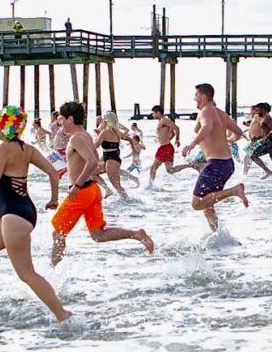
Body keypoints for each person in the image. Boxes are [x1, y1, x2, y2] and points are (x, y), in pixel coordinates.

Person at [0, 106, 71, 323]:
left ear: (4, 126)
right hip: (22, 211)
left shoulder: (4, 149)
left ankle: (62, 315)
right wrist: (54, 199)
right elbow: (54, 172)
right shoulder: (28, 149)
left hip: (13, 215)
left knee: (26, 274)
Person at [50, 101, 154, 264]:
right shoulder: (85, 135)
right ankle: (137, 234)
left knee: (58, 233)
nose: (59, 122)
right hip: (92, 190)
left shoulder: (76, 139)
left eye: (61, 118)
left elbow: (92, 161)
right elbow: (92, 160)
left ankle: (51, 273)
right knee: (98, 235)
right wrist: (68, 170)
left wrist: (76, 184)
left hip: (82, 191)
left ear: (70, 119)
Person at [178, 83, 249, 231]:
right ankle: (217, 235)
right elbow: (238, 132)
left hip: (216, 164)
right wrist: (228, 140)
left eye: (196, 95)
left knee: (197, 203)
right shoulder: (221, 113)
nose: (194, 98)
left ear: (203, 96)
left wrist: (192, 144)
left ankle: (235, 191)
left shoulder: (205, 112)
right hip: (226, 164)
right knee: (207, 202)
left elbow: (207, 127)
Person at [148, 105, 198, 182]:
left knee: (153, 168)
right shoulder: (162, 121)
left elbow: (176, 128)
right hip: (166, 147)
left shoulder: (164, 120)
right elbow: (173, 133)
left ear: (158, 112)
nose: (153, 115)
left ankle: (150, 186)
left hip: (165, 148)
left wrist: (177, 139)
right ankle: (191, 165)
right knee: (170, 170)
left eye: (153, 113)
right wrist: (167, 140)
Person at [94, 111, 134, 200]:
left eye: (104, 119)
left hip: (111, 159)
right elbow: (130, 139)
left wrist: (81, 149)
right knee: (93, 173)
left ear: (107, 120)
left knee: (117, 186)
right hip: (109, 157)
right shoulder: (117, 132)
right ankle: (108, 190)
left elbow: (96, 145)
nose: (103, 120)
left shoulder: (105, 132)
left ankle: (127, 202)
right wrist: (134, 152)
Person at [243, 103, 272, 179]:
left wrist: (265, 138)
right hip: (266, 141)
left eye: (257, 110)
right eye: (255, 110)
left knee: (252, 155)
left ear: (263, 110)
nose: (256, 112)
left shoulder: (268, 118)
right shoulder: (261, 117)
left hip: (271, 142)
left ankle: (269, 171)